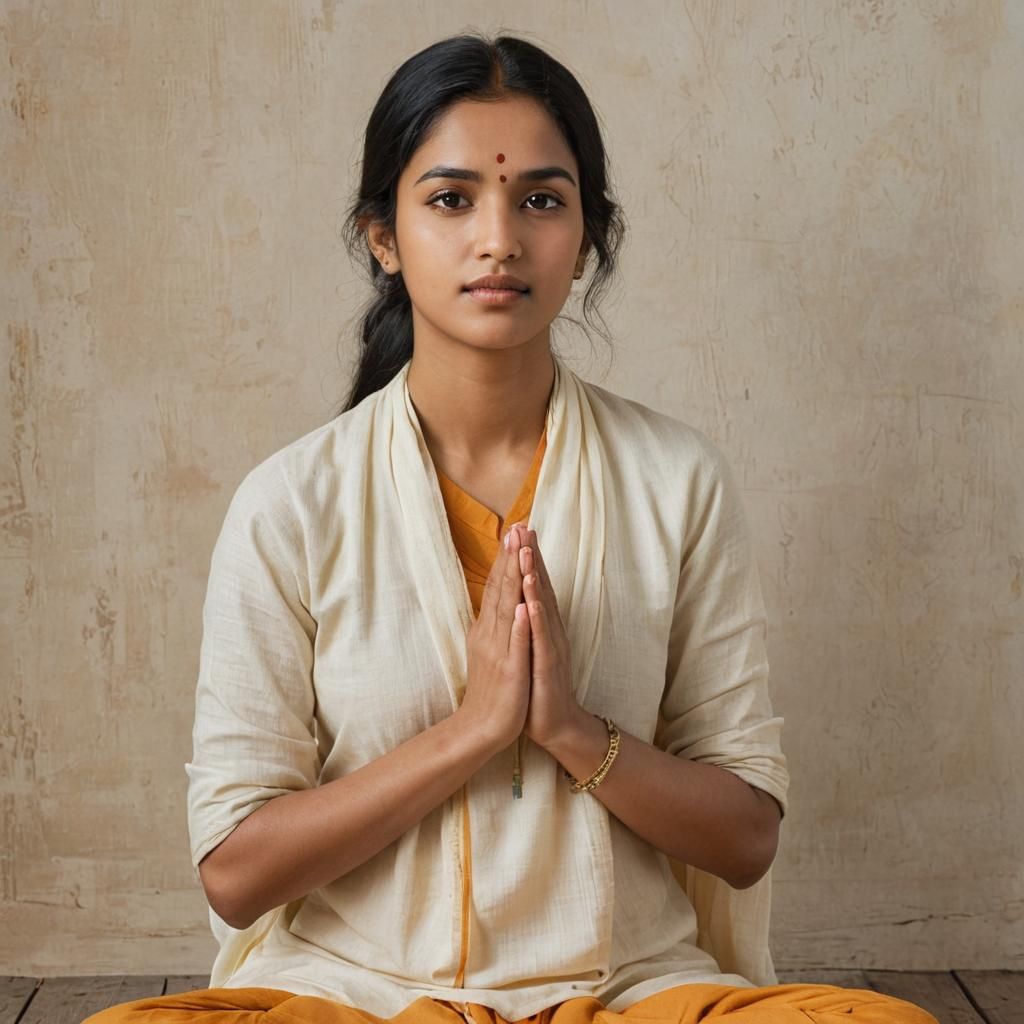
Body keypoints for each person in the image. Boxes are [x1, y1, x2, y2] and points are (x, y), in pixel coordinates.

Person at [84, 31, 939, 1024]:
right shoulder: (291, 501)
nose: (498, 238)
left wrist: (573, 733)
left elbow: (745, 836)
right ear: (383, 236)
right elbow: (235, 872)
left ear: (586, 238)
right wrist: (471, 733)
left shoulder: (675, 481)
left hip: (624, 989)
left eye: (540, 198)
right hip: (359, 997)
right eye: (450, 199)